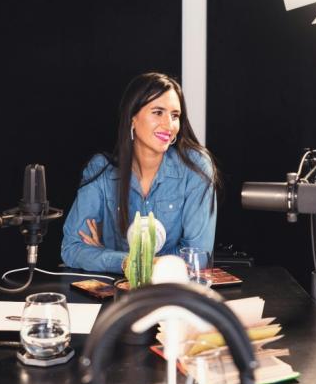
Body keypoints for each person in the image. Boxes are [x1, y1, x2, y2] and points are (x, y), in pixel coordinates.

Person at [61, 72, 220, 272]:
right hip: (117, 293)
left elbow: (198, 257)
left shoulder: (195, 167)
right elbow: (72, 249)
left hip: (173, 292)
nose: (169, 125)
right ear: (132, 118)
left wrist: (105, 256)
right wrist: (126, 262)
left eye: (175, 115)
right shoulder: (101, 170)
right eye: (158, 112)